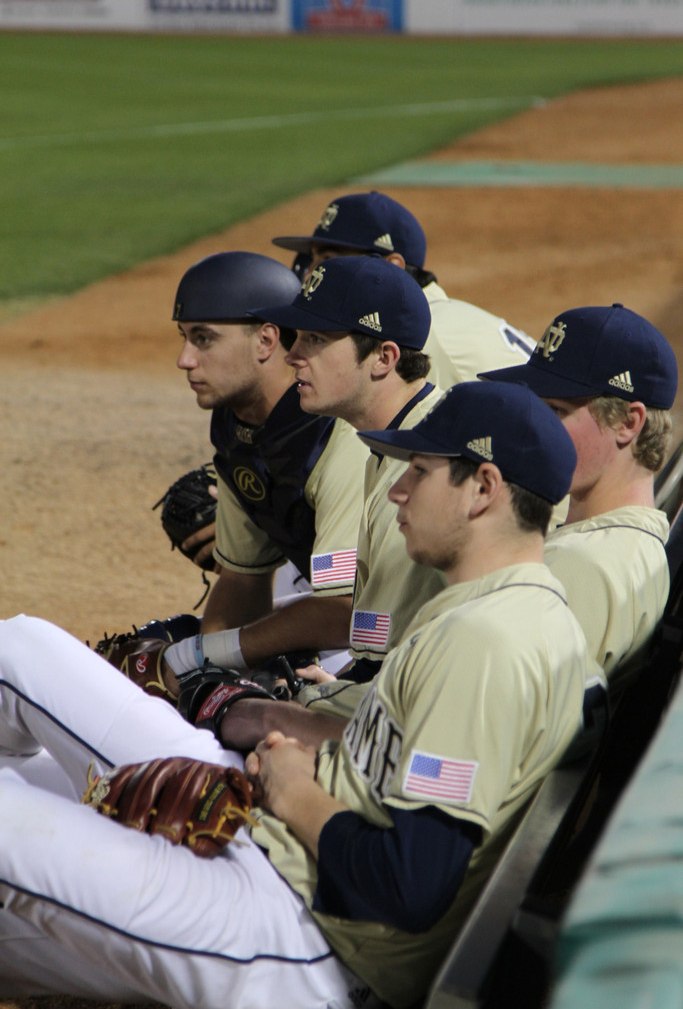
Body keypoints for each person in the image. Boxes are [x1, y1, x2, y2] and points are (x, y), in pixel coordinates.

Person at [0, 380, 605, 1009]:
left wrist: (295, 791)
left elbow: (409, 887)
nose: (397, 489)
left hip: (297, 927)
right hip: (277, 854)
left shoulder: (488, 643)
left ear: (483, 488)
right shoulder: (502, 610)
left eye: (420, 471)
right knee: (21, 651)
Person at [164, 255, 444, 689]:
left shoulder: (417, 461)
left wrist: (207, 655)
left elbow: (350, 614)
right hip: (408, 663)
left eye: (314, 338)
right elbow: (376, 631)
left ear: (383, 357)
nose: (292, 354)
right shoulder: (383, 443)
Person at [164, 250, 368, 673]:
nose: (184, 359)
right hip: (359, 618)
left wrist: (212, 653)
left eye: (203, 338)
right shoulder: (236, 428)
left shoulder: (334, 428)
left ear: (266, 340)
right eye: (183, 337)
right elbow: (243, 580)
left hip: (422, 636)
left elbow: (344, 609)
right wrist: (205, 672)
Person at [480, 302, 678, 694]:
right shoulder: (625, 546)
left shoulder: (582, 565)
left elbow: (493, 719)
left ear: (628, 423)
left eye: (556, 410)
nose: (533, 428)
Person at [270, 188, 536, 388]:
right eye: (312, 260)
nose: (309, 275)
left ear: (393, 266)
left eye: (328, 261)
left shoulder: (424, 337)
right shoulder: (435, 317)